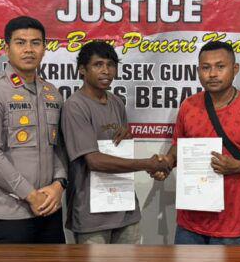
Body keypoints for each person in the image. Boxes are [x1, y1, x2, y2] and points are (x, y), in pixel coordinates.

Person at [161, 40, 240, 245]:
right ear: (198, 71)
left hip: (233, 224)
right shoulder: (188, 106)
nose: (212, 74)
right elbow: (178, 146)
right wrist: (167, 162)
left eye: (220, 67)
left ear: (235, 69)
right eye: (206, 68)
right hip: (190, 222)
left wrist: (238, 166)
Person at [0, 16, 68, 244]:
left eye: (36, 43)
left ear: (44, 48)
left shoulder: (52, 93)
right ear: (7, 48)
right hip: (9, 214)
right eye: (20, 42)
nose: (29, 49)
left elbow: (59, 148)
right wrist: (30, 195)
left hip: (50, 209)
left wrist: (59, 184)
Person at [61, 41, 169, 244]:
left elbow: (119, 145)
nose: (106, 71)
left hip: (125, 209)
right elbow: (94, 161)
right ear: (82, 70)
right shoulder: (75, 106)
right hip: (92, 216)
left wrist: (127, 138)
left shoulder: (116, 102)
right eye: (98, 64)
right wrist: (148, 164)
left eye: (111, 65)